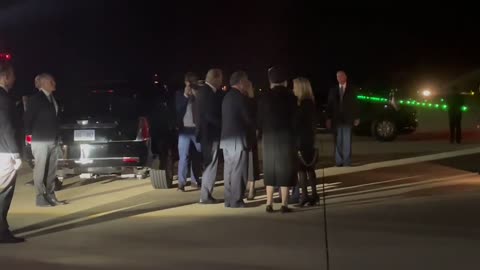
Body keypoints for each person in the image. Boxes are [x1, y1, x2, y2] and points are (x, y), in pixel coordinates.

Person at [258, 66, 297, 213]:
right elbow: (295, 120)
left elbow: (259, 119)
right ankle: (284, 204)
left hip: (269, 138)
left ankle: (269, 202)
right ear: (285, 81)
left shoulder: (264, 97)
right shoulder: (291, 98)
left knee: (270, 169)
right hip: (286, 137)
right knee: (285, 170)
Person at [24, 73, 66, 207]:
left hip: (53, 139)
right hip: (40, 140)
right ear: (42, 83)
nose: (54, 82)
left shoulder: (53, 98)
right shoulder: (35, 99)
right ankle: (40, 197)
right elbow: (27, 120)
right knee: (40, 169)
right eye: (51, 81)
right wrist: (29, 138)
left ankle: (51, 195)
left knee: (51, 170)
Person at [0, 61, 25, 243]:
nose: (14, 78)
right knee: (4, 192)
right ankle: (1, 231)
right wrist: (16, 154)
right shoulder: (4, 98)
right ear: (4, 77)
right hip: (5, 152)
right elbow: (7, 127)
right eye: (12, 75)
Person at [220, 71, 252, 208]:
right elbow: (247, 118)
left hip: (226, 138)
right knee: (239, 170)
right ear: (240, 82)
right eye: (246, 81)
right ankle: (237, 199)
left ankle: (228, 199)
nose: (247, 83)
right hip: (237, 138)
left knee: (228, 170)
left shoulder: (227, 97)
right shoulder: (239, 98)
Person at [195, 69, 224, 204]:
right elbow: (210, 116)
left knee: (208, 164)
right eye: (221, 78)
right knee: (210, 164)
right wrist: (223, 125)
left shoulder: (202, 91)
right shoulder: (209, 93)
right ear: (215, 78)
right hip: (211, 135)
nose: (222, 81)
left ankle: (205, 194)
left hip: (204, 134)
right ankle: (206, 196)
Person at [293, 77, 319, 207]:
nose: (293, 89)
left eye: (295, 86)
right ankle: (314, 195)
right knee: (310, 168)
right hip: (309, 139)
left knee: (301, 170)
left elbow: (297, 123)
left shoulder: (302, 104)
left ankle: (304, 196)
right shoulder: (311, 103)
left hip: (301, 140)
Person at [326, 70, 360, 167]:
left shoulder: (352, 89)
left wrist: (357, 117)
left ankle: (347, 161)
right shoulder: (333, 90)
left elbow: (356, 104)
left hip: (348, 119)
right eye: (338, 76)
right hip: (336, 120)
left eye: (341, 76)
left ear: (345, 77)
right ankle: (339, 161)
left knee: (347, 141)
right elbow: (329, 105)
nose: (339, 78)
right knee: (337, 141)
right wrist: (328, 118)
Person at [175, 72, 202, 191]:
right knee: (183, 156)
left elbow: (202, 109)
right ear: (186, 83)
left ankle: (195, 180)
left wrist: (196, 95)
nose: (192, 86)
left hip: (196, 129)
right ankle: (181, 183)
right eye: (191, 83)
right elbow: (178, 110)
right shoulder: (179, 94)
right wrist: (186, 96)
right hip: (184, 131)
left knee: (197, 155)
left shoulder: (198, 93)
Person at [245, 80, 260, 201]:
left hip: (251, 135)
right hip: (245, 134)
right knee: (247, 162)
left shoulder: (253, 101)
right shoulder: (244, 99)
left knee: (251, 162)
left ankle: (251, 188)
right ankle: (249, 187)